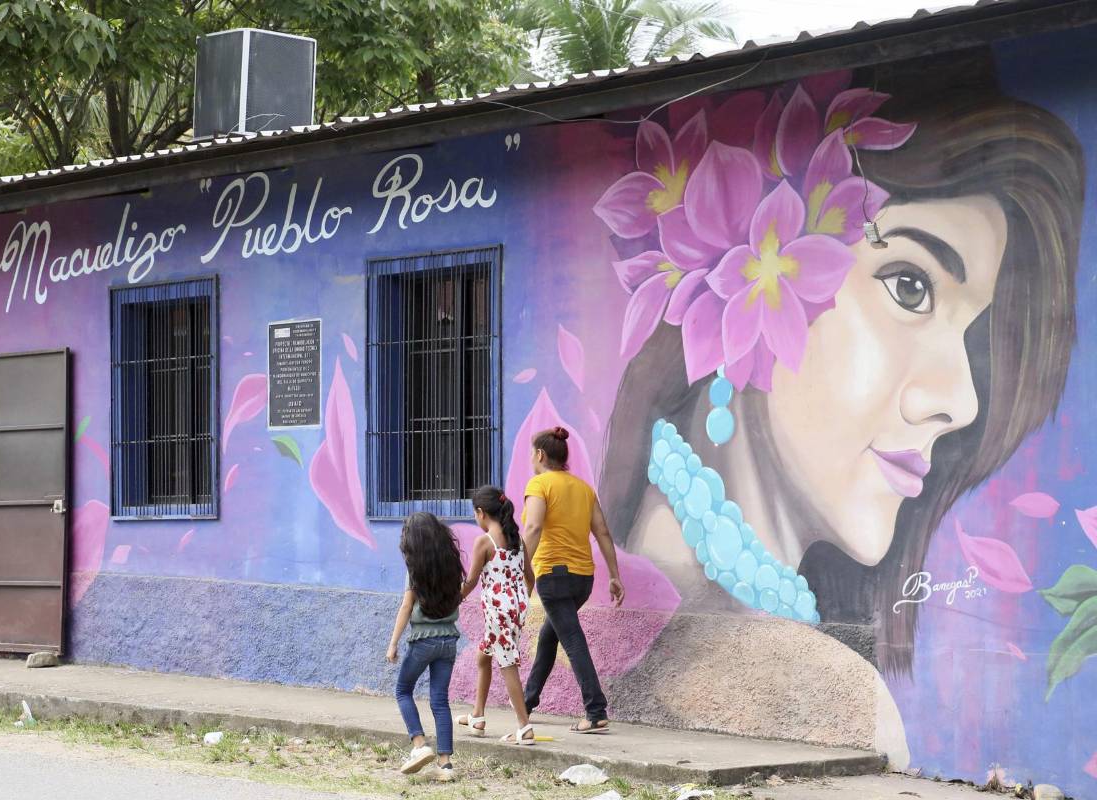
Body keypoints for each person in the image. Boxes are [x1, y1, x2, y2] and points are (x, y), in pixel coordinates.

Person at [593, 51, 1083, 763]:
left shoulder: (636, 592)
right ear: (745, 289)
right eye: (911, 287)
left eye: (972, 332)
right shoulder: (837, 699)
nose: (964, 403)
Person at [522, 426, 625, 733]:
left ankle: (595, 710)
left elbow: (533, 528)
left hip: (554, 577)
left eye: (532, 453)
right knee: (548, 636)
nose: (531, 458)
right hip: (583, 579)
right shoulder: (583, 488)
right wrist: (615, 575)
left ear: (540, 454)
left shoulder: (539, 484)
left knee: (572, 640)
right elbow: (603, 532)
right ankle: (526, 701)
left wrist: (520, 566)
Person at [386, 511, 464, 781]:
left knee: (403, 691)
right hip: (449, 641)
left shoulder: (415, 569)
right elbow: (458, 597)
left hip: (423, 641)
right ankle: (445, 765)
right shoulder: (452, 565)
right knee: (440, 701)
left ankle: (419, 746)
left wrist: (393, 644)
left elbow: (407, 606)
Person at [457, 486, 534, 745]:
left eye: (475, 514)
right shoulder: (517, 539)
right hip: (515, 607)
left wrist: (452, 599)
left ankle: (524, 727)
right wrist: (520, 603)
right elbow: (530, 578)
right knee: (484, 656)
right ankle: (477, 715)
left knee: (507, 664)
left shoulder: (485, 542)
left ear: (481, 513)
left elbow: (470, 582)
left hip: (498, 611)